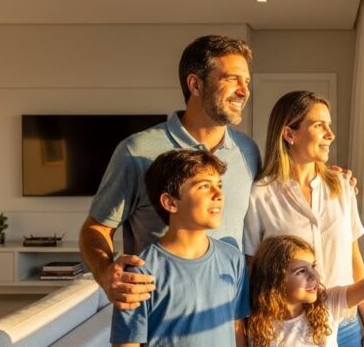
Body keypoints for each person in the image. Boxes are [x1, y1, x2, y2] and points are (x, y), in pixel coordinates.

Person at [81, 34, 260, 310]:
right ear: (195, 84)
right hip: (161, 316)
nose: (244, 91)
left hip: (229, 315)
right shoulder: (136, 151)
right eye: (231, 79)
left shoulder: (248, 151)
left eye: (246, 81)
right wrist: (106, 273)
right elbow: (96, 228)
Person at [242, 91, 364, 347]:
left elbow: (354, 259)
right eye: (320, 126)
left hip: (345, 330)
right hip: (291, 338)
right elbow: (255, 274)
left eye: (329, 126)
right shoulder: (260, 196)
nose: (331, 134)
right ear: (289, 133)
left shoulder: (341, 187)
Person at [109, 149, 253, 347]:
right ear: (170, 202)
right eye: (204, 186)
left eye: (219, 185)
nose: (218, 194)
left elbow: (239, 343)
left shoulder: (232, 260)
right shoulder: (139, 274)